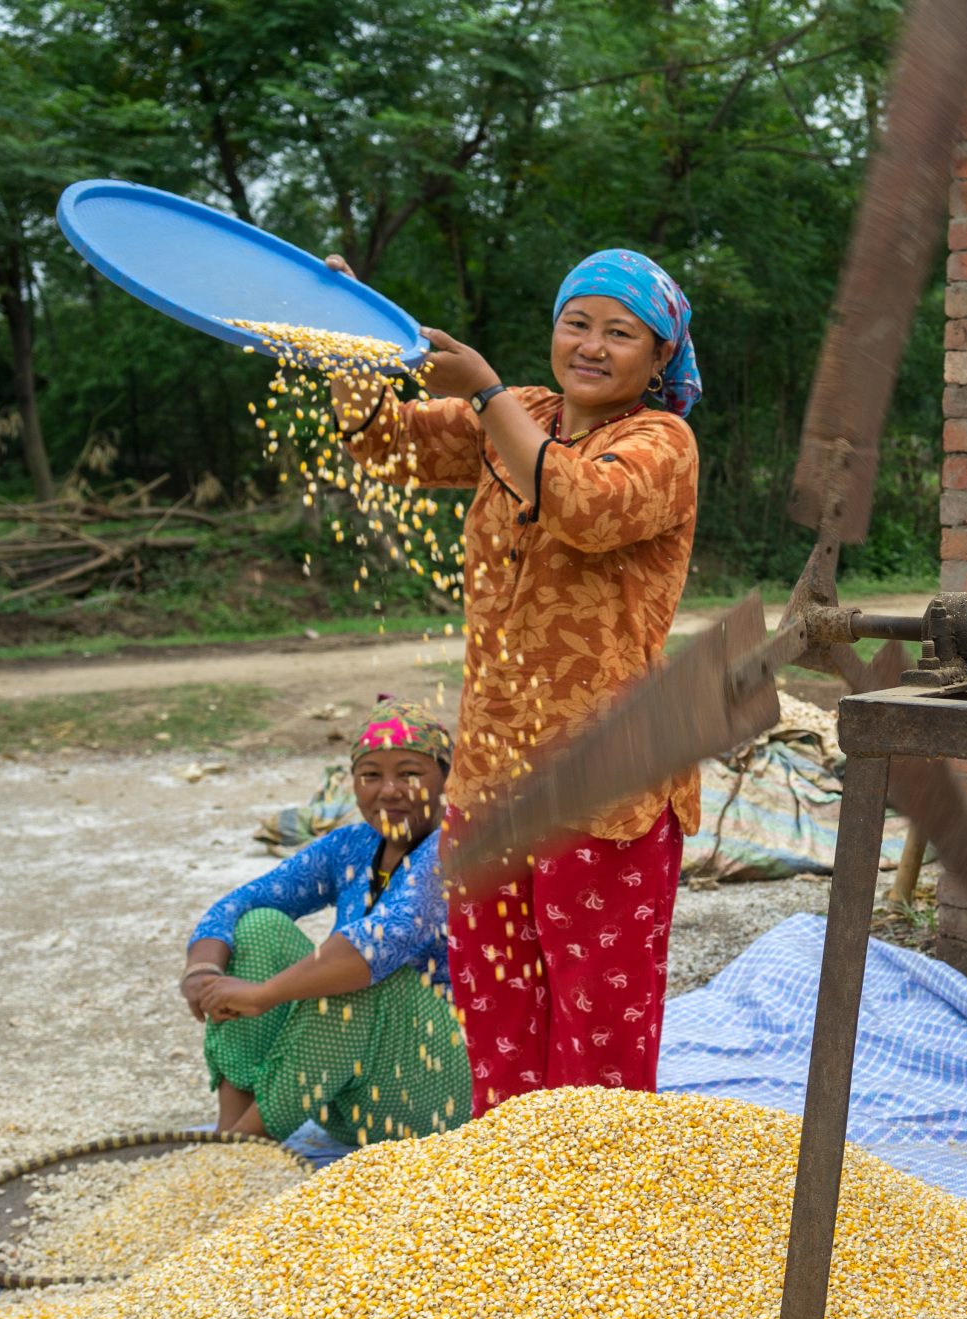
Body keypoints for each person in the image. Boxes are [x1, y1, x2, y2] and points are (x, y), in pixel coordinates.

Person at [326, 248, 703, 1112]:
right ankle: (513, 1202)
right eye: (579, 322)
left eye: (621, 332)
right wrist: (348, 339)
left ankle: (597, 1213)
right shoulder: (523, 411)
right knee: (496, 1016)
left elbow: (584, 507)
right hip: (493, 780)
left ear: (657, 356)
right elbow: (390, 447)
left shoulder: (660, 442)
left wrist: (488, 392)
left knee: (597, 1026)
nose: (593, 345)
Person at [183, 701, 471, 1147]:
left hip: (429, 1099)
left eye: (410, 774)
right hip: (350, 1098)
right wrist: (201, 972)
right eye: (371, 775)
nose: (389, 790)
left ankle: (238, 1153)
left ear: (446, 779)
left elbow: (380, 941)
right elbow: (238, 904)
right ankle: (232, 1134)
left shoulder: (455, 846)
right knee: (261, 927)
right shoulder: (350, 845)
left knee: (360, 977)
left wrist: (263, 995)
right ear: (354, 783)